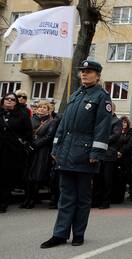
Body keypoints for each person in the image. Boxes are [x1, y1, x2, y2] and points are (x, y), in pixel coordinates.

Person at [40, 60, 112, 248]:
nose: (84, 74)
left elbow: (102, 128)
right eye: (82, 71)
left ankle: (78, 233)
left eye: (89, 72)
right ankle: (60, 234)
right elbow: (62, 125)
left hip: (86, 154)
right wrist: (56, 148)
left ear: (98, 75)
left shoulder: (102, 97)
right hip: (66, 152)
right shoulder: (75, 95)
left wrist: (96, 152)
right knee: (66, 196)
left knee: (82, 197)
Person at [20, 100, 57, 209]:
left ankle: (32, 199)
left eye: (44, 107)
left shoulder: (51, 122)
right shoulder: (31, 119)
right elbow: (25, 133)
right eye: (40, 107)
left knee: (36, 175)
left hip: (42, 151)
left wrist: (35, 145)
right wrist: (27, 144)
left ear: (49, 110)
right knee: (28, 175)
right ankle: (26, 198)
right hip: (29, 150)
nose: (41, 109)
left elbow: (49, 136)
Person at [0, 93, 32, 213]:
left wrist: (21, 144)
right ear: (3, 100)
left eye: (12, 99)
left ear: (16, 102)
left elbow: (28, 134)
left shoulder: (22, 115)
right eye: (7, 99)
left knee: (6, 176)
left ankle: (3, 202)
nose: (9, 100)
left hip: (12, 151)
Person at [93, 102, 122, 209]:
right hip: (99, 153)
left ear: (112, 109)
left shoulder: (117, 121)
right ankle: (96, 200)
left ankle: (105, 201)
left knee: (107, 179)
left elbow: (115, 135)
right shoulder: (101, 120)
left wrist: (101, 140)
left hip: (109, 153)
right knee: (97, 178)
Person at [113, 116, 132, 204]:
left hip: (125, 158)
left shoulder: (130, 133)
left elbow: (129, 145)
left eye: (125, 122)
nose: (123, 124)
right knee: (115, 178)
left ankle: (121, 197)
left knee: (123, 178)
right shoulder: (117, 132)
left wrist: (121, 151)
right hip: (116, 157)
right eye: (122, 122)